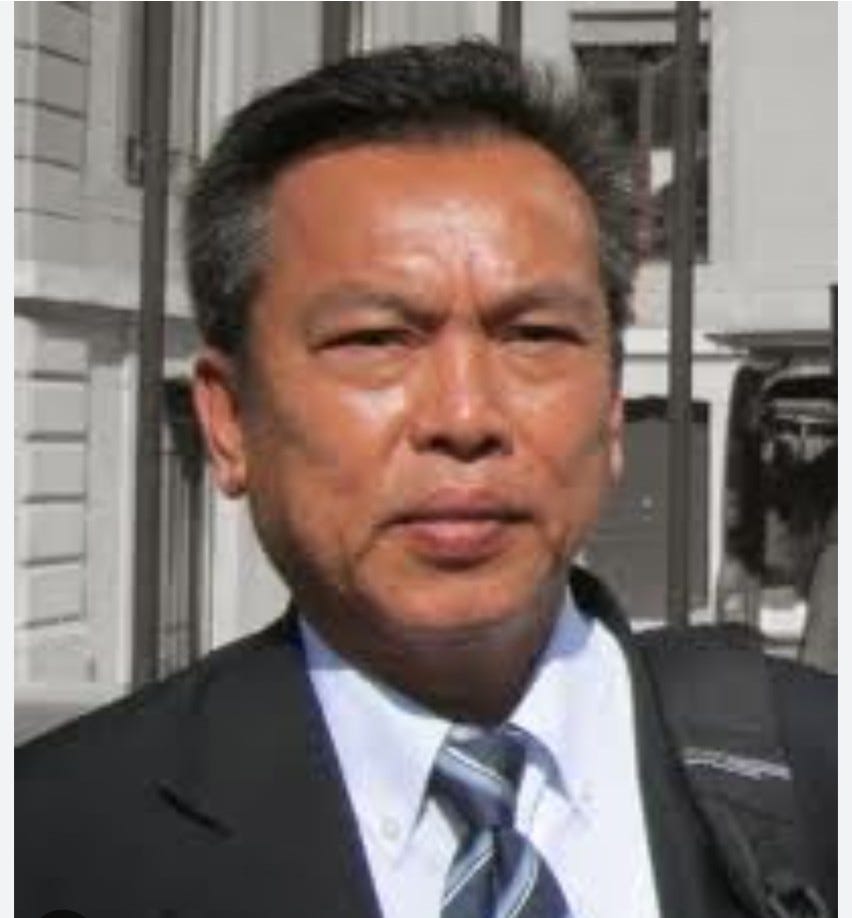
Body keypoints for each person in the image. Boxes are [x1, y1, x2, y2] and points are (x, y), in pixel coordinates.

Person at [16, 41, 835, 918]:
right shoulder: (54, 846)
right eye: (375, 340)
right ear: (227, 421)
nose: (465, 416)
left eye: (535, 336)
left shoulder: (823, 773)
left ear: (609, 408)